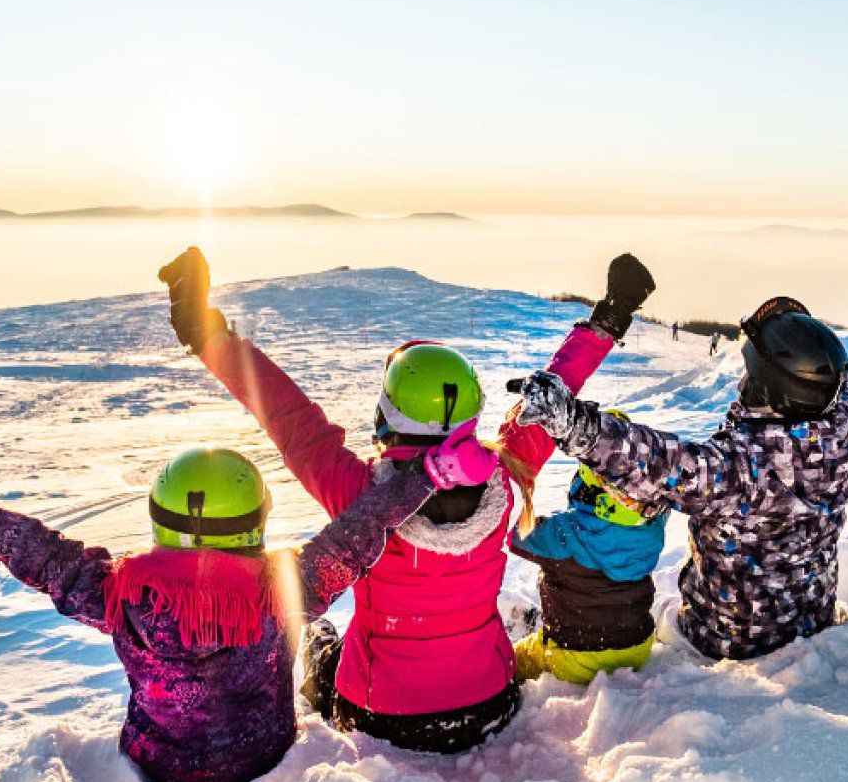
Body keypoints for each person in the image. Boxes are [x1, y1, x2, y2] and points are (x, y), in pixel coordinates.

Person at [158, 247, 655, 752]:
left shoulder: (359, 496)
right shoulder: (506, 478)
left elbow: (288, 416)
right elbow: (552, 398)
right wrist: (608, 319)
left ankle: (319, 653)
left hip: (381, 716)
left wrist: (208, 335)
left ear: (388, 413)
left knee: (323, 652)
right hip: (489, 703)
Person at [0, 436, 491, 782]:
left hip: (158, 767)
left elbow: (34, 550)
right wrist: (428, 475)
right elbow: (360, 530)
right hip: (261, 760)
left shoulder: (119, 591)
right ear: (255, 522)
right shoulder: (285, 588)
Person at [513, 258, 848, 661]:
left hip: (720, 641)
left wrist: (570, 422)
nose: (743, 378)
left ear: (767, 387)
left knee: (655, 620)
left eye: (750, 371)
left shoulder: (738, 468)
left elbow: (651, 461)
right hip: (812, 621)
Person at [510, 410, 669, 683]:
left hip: (576, 656)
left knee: (516, 659)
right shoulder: (651, 528)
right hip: (638, 647)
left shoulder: (564, 534)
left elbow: (515, 534)